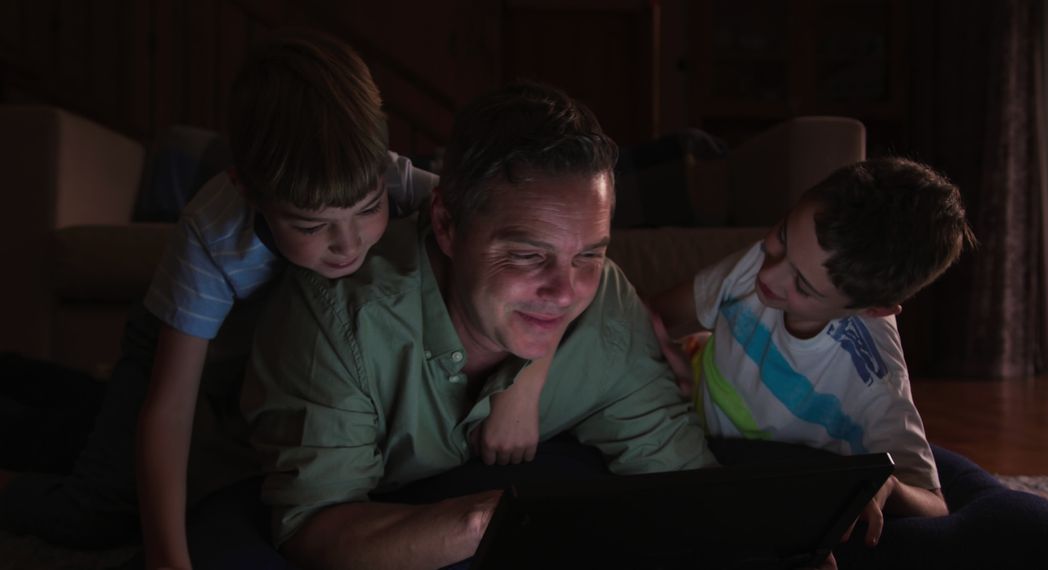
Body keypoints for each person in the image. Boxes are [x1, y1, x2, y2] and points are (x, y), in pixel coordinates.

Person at [0, 29, 462, 569]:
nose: (348, 242)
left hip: (263, 364)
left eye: (367, 209)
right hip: (177, 350)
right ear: (247, 190)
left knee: (82, 427)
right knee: (97, 512)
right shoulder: (214, 236)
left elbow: (495, 224)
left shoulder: (387, 177)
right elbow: (170, 407)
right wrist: (169, 559)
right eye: (311, 224)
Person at [240, 80, 718, 569]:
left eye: (589, 255)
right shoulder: (338, 317)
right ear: (446, 224)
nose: (565, 291)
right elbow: (311, 527)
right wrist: (491, 523)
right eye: (528, 255)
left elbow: (687, 493)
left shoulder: (607, 308)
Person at [649, 157, 976, 547]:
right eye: (782, 238)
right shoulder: (758, 263)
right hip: (697, 389)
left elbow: (936, 504)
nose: (768, 275)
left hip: (762, 469)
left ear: (872, 310)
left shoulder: (874, 384)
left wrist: (891, 488)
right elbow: (656, 316)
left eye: (803, 286)